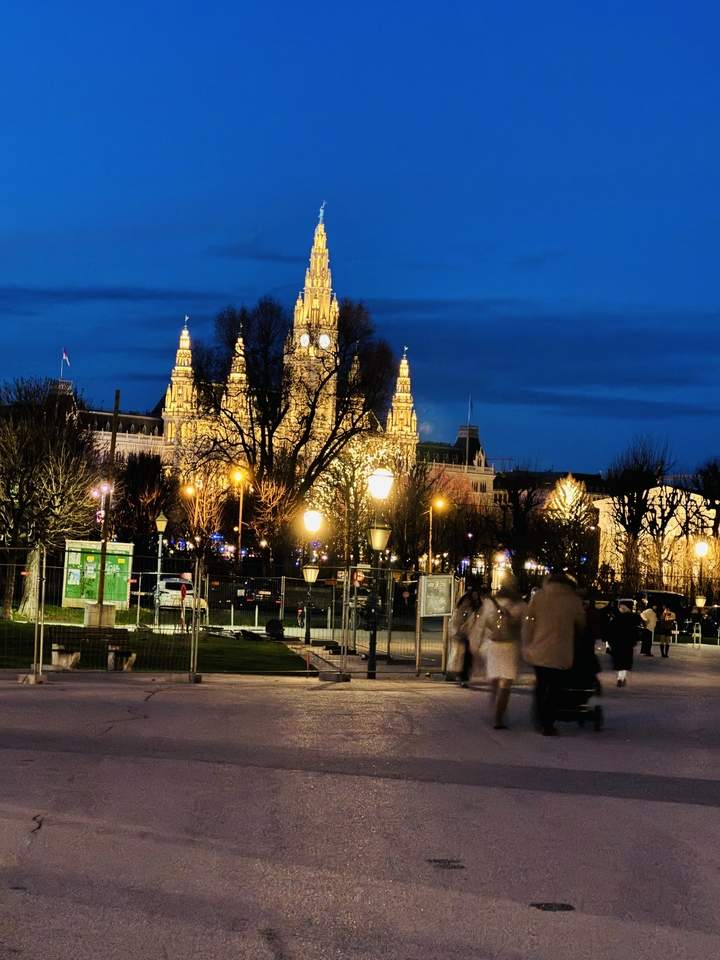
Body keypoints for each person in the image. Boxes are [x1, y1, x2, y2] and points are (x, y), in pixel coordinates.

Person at [522, 571, 586, 736]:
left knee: (541, 684)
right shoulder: (572, 599)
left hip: (539, 647)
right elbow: (581, 624)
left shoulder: (539, 596)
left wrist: (528, 643)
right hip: (561, 650)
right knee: (555, 688)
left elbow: (528, 622)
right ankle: (548, 722)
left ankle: (539, 715)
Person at [482, 586, 526, 729]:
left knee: (495, 679)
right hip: (510, 645)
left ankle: (495, 703)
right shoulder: (518, 605)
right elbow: (525, 626)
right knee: (505, 683)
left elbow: (482, 625)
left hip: (493, 645)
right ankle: (498, 717)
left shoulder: (489, 604)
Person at [447, 588, 482, 683]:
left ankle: (463, 675)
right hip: (461, 635)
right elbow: (455, 622)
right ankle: (458, 674)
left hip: (468, 636)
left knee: (465, 656)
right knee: (458, 655)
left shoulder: (473, 610)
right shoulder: (460, 611)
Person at [608, 603, 642, 685]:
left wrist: (611, 641)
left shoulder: (617, 619)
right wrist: (634, 641)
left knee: (619, 661)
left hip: (618, 643)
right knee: (625, 662)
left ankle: (620, 677)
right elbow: (635, 630)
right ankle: (622, 677)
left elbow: (611, 630)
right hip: (627, 643)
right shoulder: (631, 619)